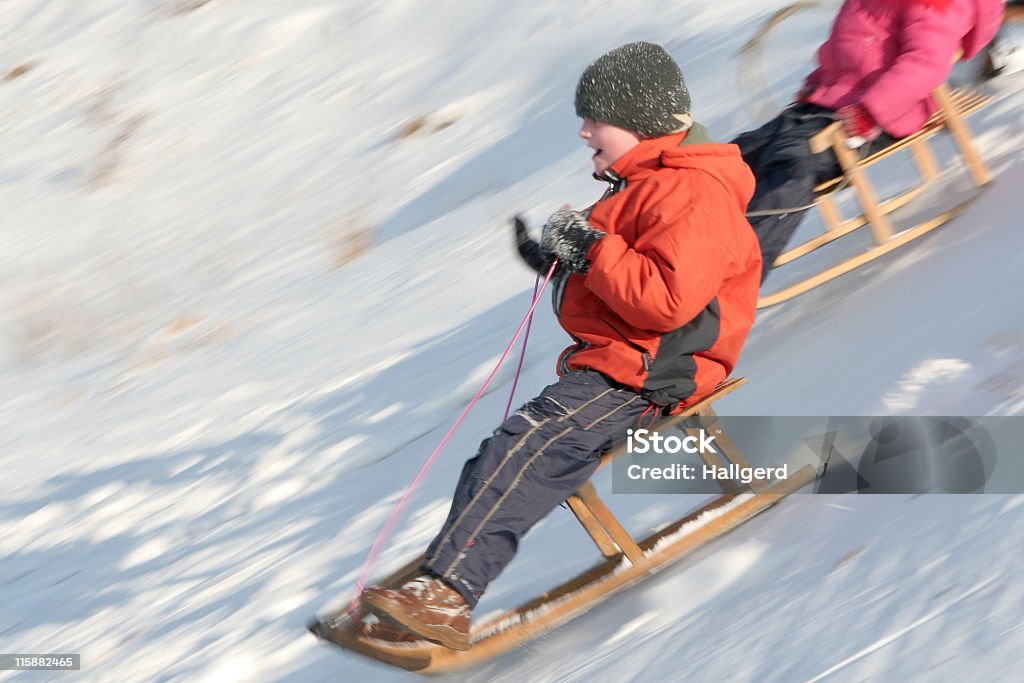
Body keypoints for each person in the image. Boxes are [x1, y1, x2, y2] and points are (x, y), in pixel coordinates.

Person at [359, 41, 763, 650]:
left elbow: (666, 299)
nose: (582, 132)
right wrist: (559, 259)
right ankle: (442, 580)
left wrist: (593, 250)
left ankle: (446, 595)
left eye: (594, 119)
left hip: (653, 370)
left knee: (529, 446)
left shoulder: (691, 192)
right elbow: (627, 273)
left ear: (637, 120)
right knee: (507, 449)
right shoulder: (644, 184)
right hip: (620, 362)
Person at [735, 0, 1004, 281]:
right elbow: (845, 49)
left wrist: (870, 112)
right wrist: (818, 82)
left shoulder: (936, 4)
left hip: (878, 118)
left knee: (792, 165)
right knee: (737, 156)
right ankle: (693, 247)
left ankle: (733, 277)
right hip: (825, 106)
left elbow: (925, 63)